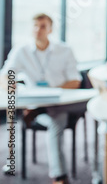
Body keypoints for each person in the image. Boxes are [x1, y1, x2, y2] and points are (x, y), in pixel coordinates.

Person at [0, 13, 82, 184]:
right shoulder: (21, 50)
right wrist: (10, 83)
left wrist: (52, 90)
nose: (38, 30)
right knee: (54, 121)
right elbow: (4, 75)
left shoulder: (64, 50)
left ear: (50, 29)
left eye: (43, 26)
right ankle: (60, 176)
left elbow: (75, 81)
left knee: (57, 118)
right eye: (35, 26)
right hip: (37, 102)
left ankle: (59, 176)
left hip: (60, 103)